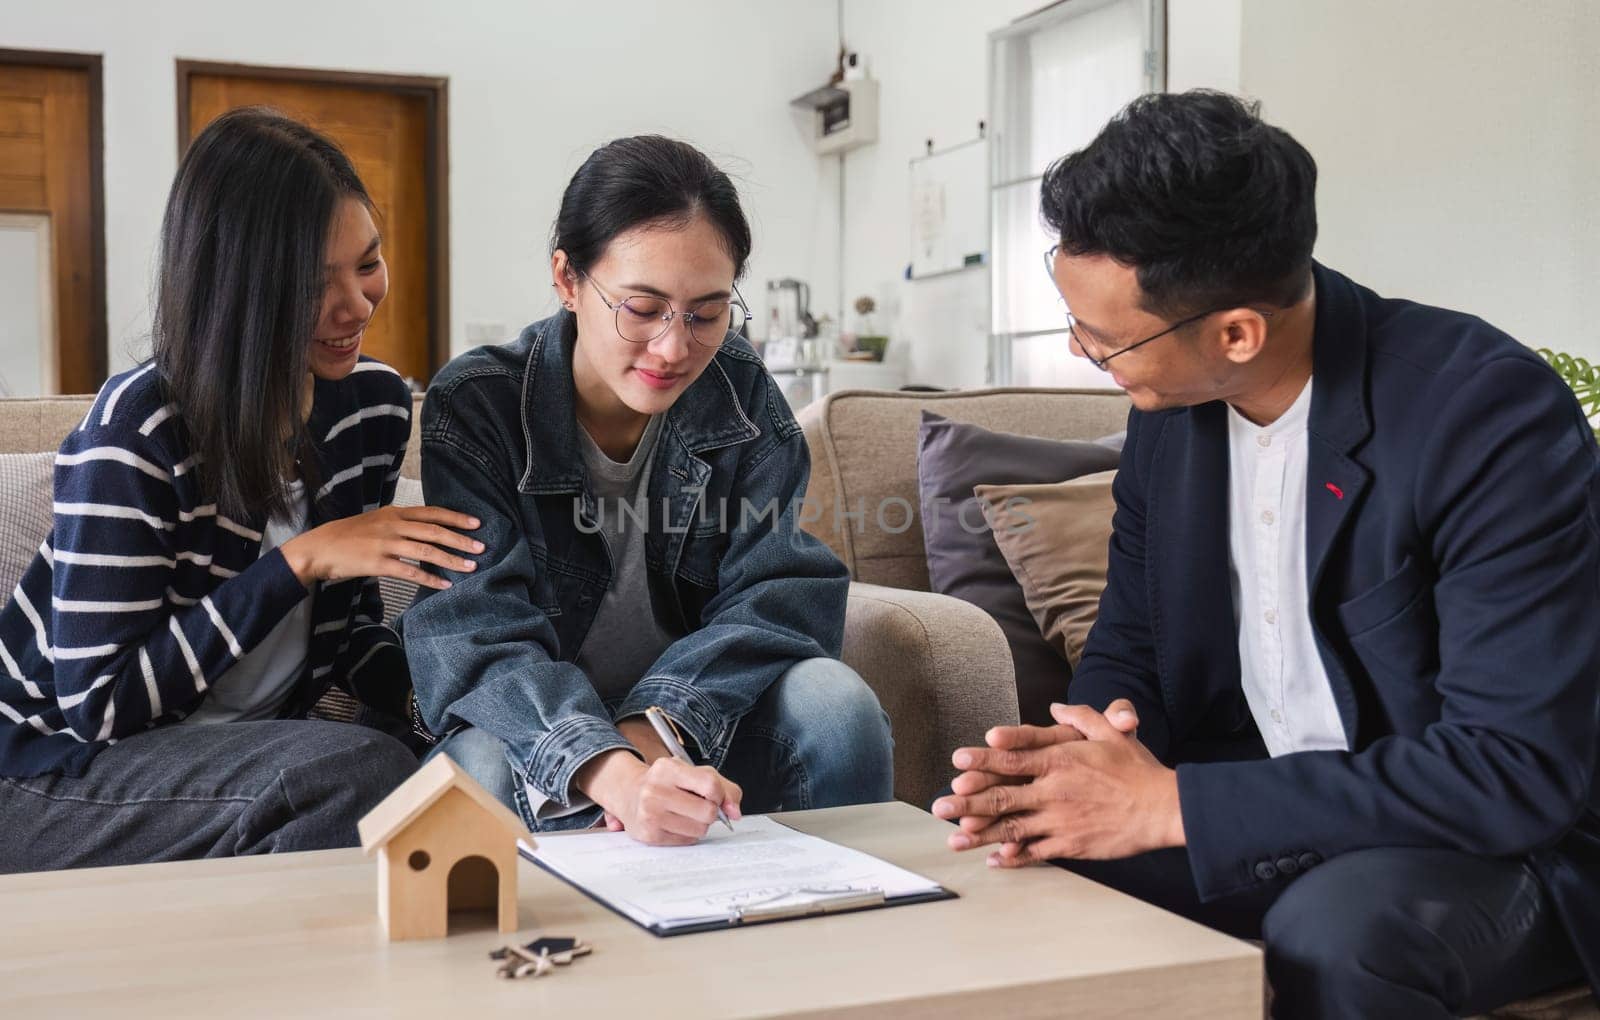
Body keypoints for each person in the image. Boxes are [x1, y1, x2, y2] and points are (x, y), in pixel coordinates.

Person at [933, 91, 1598, 1017]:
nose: (1083, 351)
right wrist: (1071, 770)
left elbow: (1509, 768)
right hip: (1274, 808)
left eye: (1105, 339)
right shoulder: (1170, 421)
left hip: (1494, 843)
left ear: (1237, 332)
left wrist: (1170, 809)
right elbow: (1133, 649)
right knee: (1017, 879)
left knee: (1339, 937)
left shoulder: (1485, 416)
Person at [0, 108, 482, 872]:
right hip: (47, 776)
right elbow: (96, 707)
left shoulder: (372, 411)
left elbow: (347, 634)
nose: (357, 303)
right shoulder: (140, 428)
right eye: (316, 282)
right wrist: (302, 563)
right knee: (354, 773)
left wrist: (445, 710)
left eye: (367, 262)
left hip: (237, 765)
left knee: (446, 770)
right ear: (240, 284)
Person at [403, 135, 893, 844]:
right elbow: (473, 633)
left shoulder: (740, 388)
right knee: (474, 769)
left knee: (835, 705)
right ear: (568, 280)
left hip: (695, 722)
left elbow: (781, 590)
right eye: (643, 307)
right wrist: (609, 766)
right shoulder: (479, 404)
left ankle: (842, 927)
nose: (674, 348)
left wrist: (653, 728)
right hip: (535, 730)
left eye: (707, 312)